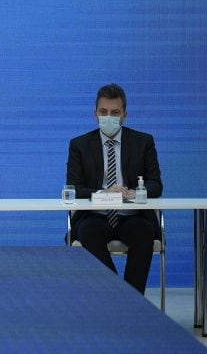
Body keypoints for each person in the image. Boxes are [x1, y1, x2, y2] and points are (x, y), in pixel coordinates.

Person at [66, 83, 163, 294]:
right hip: (95, 216)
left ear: (124, 115)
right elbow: (74, 188)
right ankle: (121, 297)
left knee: (144, 233)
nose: (109, 117)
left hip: (132, 215)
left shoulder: (143, 142)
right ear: (95, 114)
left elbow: (156, 184)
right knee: (88, 232)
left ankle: (132, 300)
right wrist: (102, 193)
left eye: (115, 112)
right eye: (103, 112)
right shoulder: (79, 145)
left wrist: (135, 192)